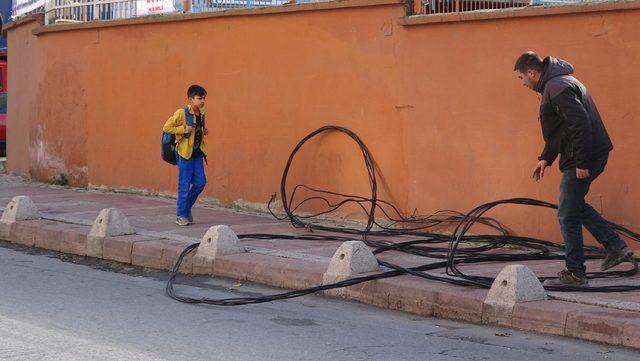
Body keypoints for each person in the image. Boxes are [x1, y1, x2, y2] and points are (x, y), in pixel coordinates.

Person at [514, 51, 634, 286]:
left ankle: (576, 274)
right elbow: (562, 128)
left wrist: (582, 163)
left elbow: (581, 125)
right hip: (584, 153)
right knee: (574, 205)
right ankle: (616, 247)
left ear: (532, 72)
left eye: (521, 78)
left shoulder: (557, 87)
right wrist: (546, 158)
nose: (523, 83)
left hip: (583, 156)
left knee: (567, 213)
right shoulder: (556, 84)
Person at [163, 85, 209, 226]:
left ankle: (185, 208)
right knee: (184, 184)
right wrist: (184, 129)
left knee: (200, 183)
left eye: (204, 98)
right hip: (184, 154)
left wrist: (203, 130)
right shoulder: (181, 113)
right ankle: (181, 215)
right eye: (199, 98)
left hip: (197, 153)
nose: (202, 101)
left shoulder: (201, 113)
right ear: (190, 99)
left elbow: (198, 130)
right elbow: (166, 127)